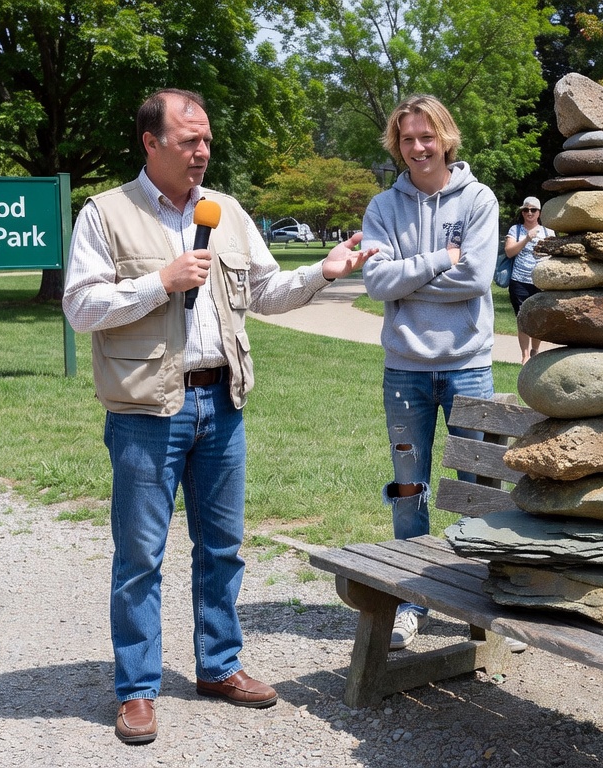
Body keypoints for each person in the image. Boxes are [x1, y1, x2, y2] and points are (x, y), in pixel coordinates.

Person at [62, 88, 374, 745]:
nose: (202, 151)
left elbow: (264, 290)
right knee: (142, 556)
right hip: (147, 409)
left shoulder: (225, 211)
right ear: (151, 143)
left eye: (206, 140)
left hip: (221, 402)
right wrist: (159, 282)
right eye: (188, 140)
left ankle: (218, 666)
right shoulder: (105, 214)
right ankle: (138, 690)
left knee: (223, 549)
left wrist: (324, 270)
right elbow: (81, 308)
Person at [361, 94, 499, 649]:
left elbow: (478, 279)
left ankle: (482, 595)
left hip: (469, 365)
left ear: (446, 137)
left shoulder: (480, 200)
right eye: (406, 139)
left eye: (426, 136)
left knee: (476, 487)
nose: (417, 148)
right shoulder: (382, 208)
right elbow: (376, 284)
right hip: (405, 369)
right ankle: (412, 599)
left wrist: (407, 273)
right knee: (408, 487)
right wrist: (443, 258)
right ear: (397, 145)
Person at [505, 196, 556, 363]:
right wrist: (527, 238)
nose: (529, 213)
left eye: (533, 210)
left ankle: (535, 350)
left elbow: (554, 256)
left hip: (541, 282)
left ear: (539, 213)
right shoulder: (516, 230)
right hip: (519, 281)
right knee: (522, 318)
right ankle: (525, 356)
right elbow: (509, 252)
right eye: (526, 210)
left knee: (537, 318)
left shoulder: (549, 232)